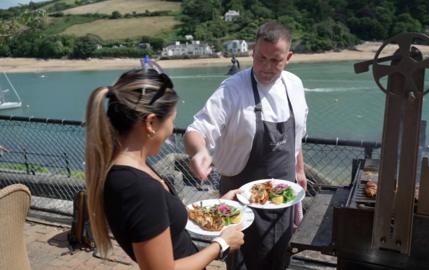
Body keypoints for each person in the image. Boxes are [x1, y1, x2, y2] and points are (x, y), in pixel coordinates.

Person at [84, 60, 244, 270]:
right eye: (171, 120)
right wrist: (222, 244)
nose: (171, 130)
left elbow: (162, 217)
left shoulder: (134, 169)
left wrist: (217, 209)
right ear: (150, 123)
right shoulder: (138, 188)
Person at [184, 21, 308, 270]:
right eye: (261, 58)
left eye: (276, 60)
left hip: (282, 197)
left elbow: (296, 135)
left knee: (278, 259)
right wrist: (199, 152)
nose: (267, 67)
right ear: (252, 52)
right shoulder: (232, 90)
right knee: (242, 264)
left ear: (289, 57)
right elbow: (196, 130)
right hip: (239, 198)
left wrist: (300, 169)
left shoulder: (294, 85)